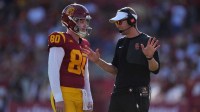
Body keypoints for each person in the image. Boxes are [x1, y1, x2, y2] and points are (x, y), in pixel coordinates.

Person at [83, 7, 160, 112]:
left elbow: (155, 69)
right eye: (116, 22)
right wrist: (97, 61)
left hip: (137, 95)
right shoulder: (120, 43)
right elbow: (115, 70)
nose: (117, 25)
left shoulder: (147, 41)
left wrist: (149, 57)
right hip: (118, 93)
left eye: (120, 21)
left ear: (131, 20)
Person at [48, 3, 93, 112]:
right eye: (81, 21)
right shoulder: (60, 38)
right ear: (70, 21)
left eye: (85, 21)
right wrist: (58, 97)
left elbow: (85, 74)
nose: (85, 25)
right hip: (65, 92)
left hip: (81, 94)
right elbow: (53, 70)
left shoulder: (85, 43)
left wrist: (89, 97)